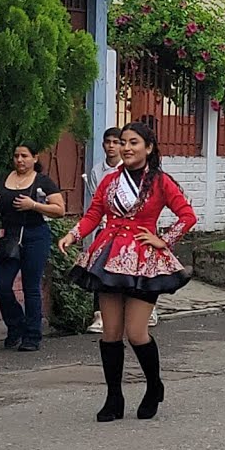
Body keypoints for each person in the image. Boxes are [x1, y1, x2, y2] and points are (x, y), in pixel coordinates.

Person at [60, 122, 197, 422]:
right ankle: (114, 398)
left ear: (148, 148)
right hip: (108, 258)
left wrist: (164, 240)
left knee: (136, 332)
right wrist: (73, 234)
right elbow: (94, 213)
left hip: (144, 263)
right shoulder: (110, 180)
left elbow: (187, 216)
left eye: (133, 142)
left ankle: (154, 386)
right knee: (110, 333)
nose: (126, 147)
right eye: (123, 142)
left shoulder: (161, 182)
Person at [0, 144, 66, 352]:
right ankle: (16, 325)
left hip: (35, 235)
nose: (19, 160)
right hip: (10, 236)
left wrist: (34, 205)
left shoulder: (42, 181)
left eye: (24, 156)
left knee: (31, 287)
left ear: (35, 158)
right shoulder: (4, 179)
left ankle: (32, 335)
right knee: (2, 284)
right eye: (16, 156)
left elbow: (59, 210)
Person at [86, 127, 124, 334]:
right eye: (108, 142)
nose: (111, 146)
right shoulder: (96, 171)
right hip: (104, 228)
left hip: (125, 231)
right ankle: (99, 315)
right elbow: (95, 204)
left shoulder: (128, 170)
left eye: (115, 142)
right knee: (99, 271)